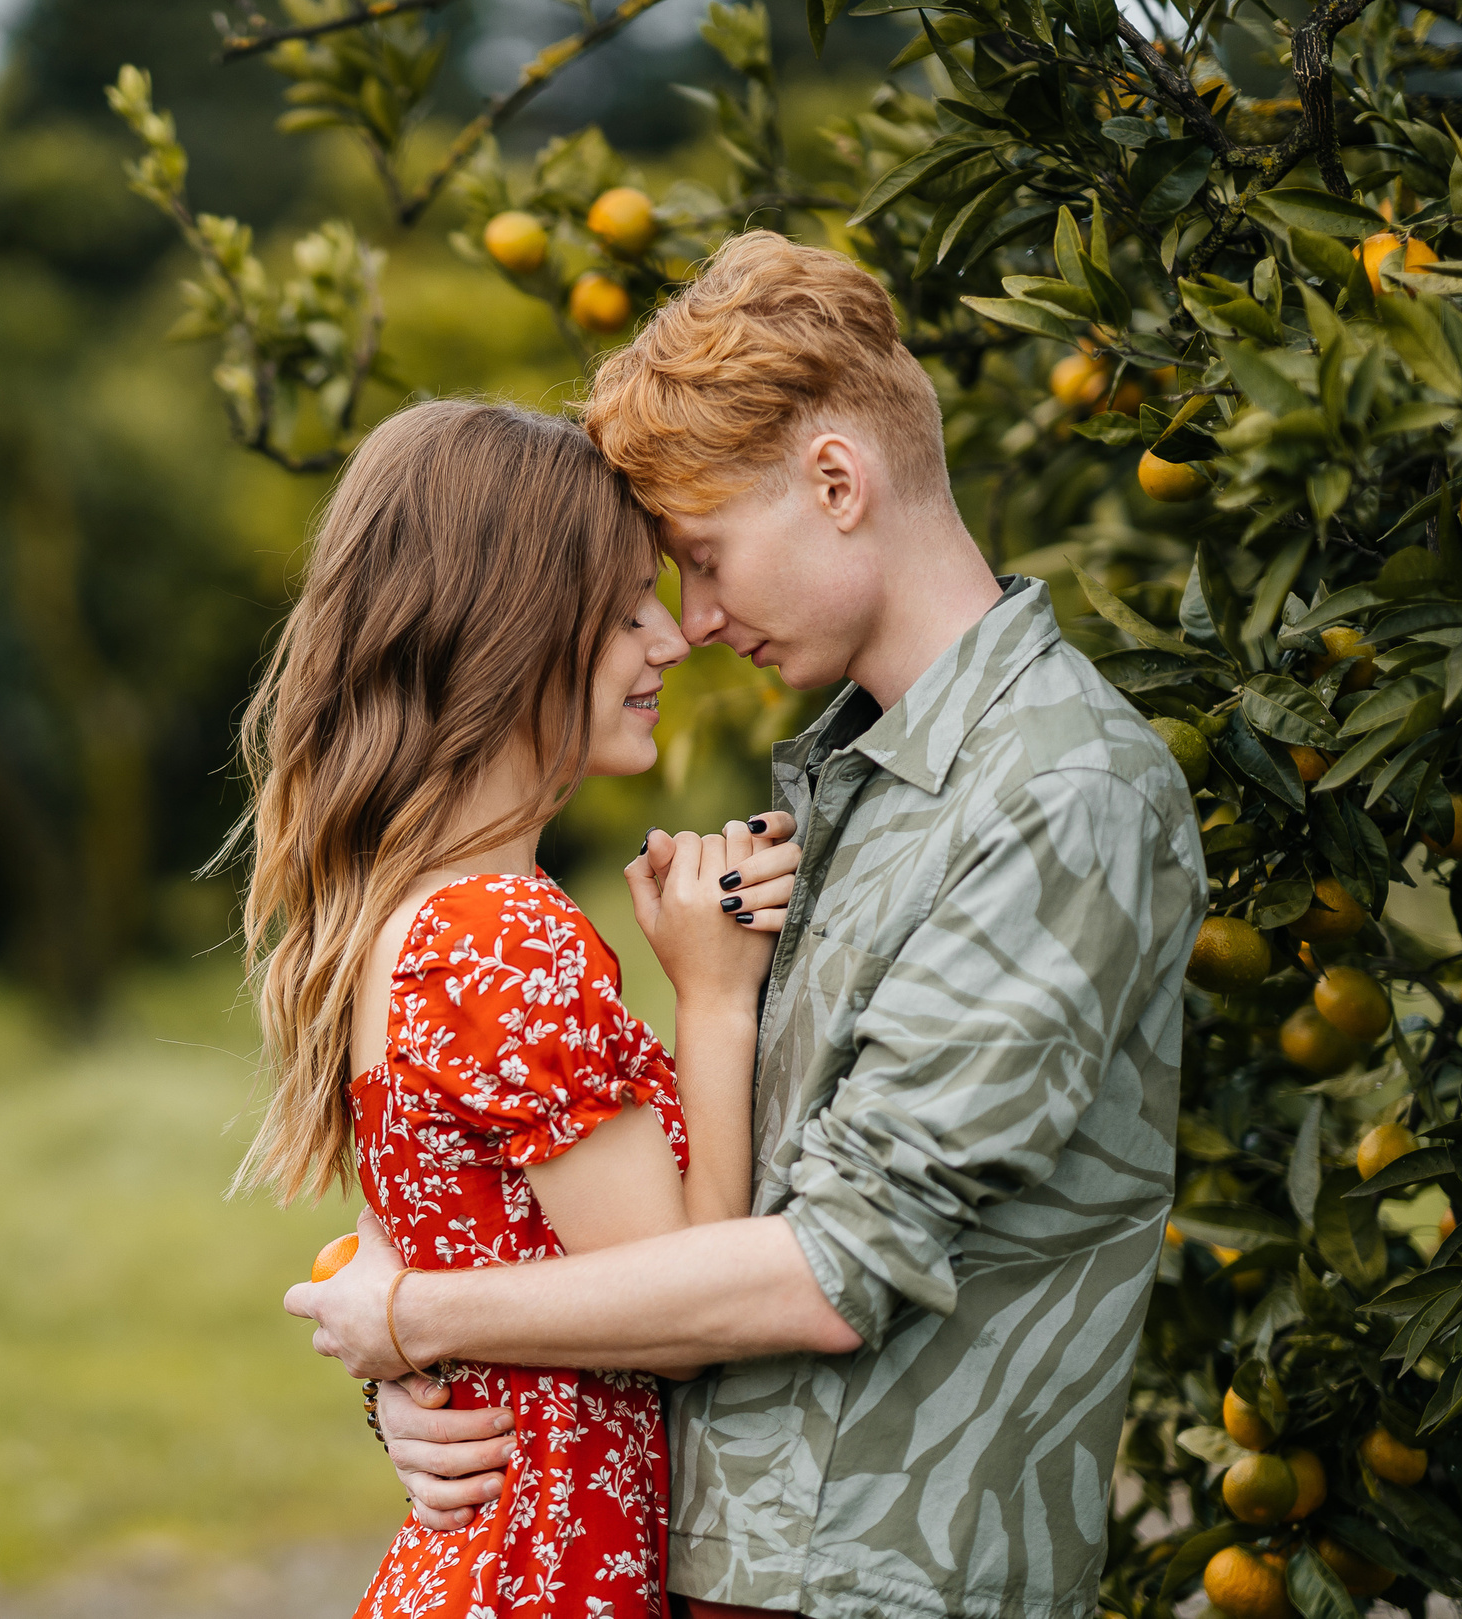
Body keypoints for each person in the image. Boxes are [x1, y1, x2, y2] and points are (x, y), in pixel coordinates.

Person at [284, 232, 1208, 1619]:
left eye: (702, 559)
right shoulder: (854, 782)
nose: (691, 623)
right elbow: (560, 1190)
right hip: (722, 1563)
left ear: (838, 482)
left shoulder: (1060, 793)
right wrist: (431, 1379)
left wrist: (415, 1316)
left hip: (885, 1580)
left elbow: (835, 1265)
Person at [227, 395, 805, 1618]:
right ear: (509, 633)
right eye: (618, 614)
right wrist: (712, 998)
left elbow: (465, 1230)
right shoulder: (498, 934)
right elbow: (685, 1302)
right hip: (547, 1575)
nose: (667, 641)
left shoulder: (416, 914)